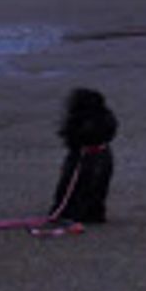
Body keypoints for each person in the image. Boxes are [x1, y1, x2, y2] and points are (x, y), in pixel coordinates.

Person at [49, 87, 118, 226]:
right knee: (93, 184)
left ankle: (71, 210)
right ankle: (87, 211)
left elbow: (71, 134)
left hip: (86, 152)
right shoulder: (103, 117)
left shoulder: (87, 118)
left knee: (74, 182)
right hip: (95, 151)